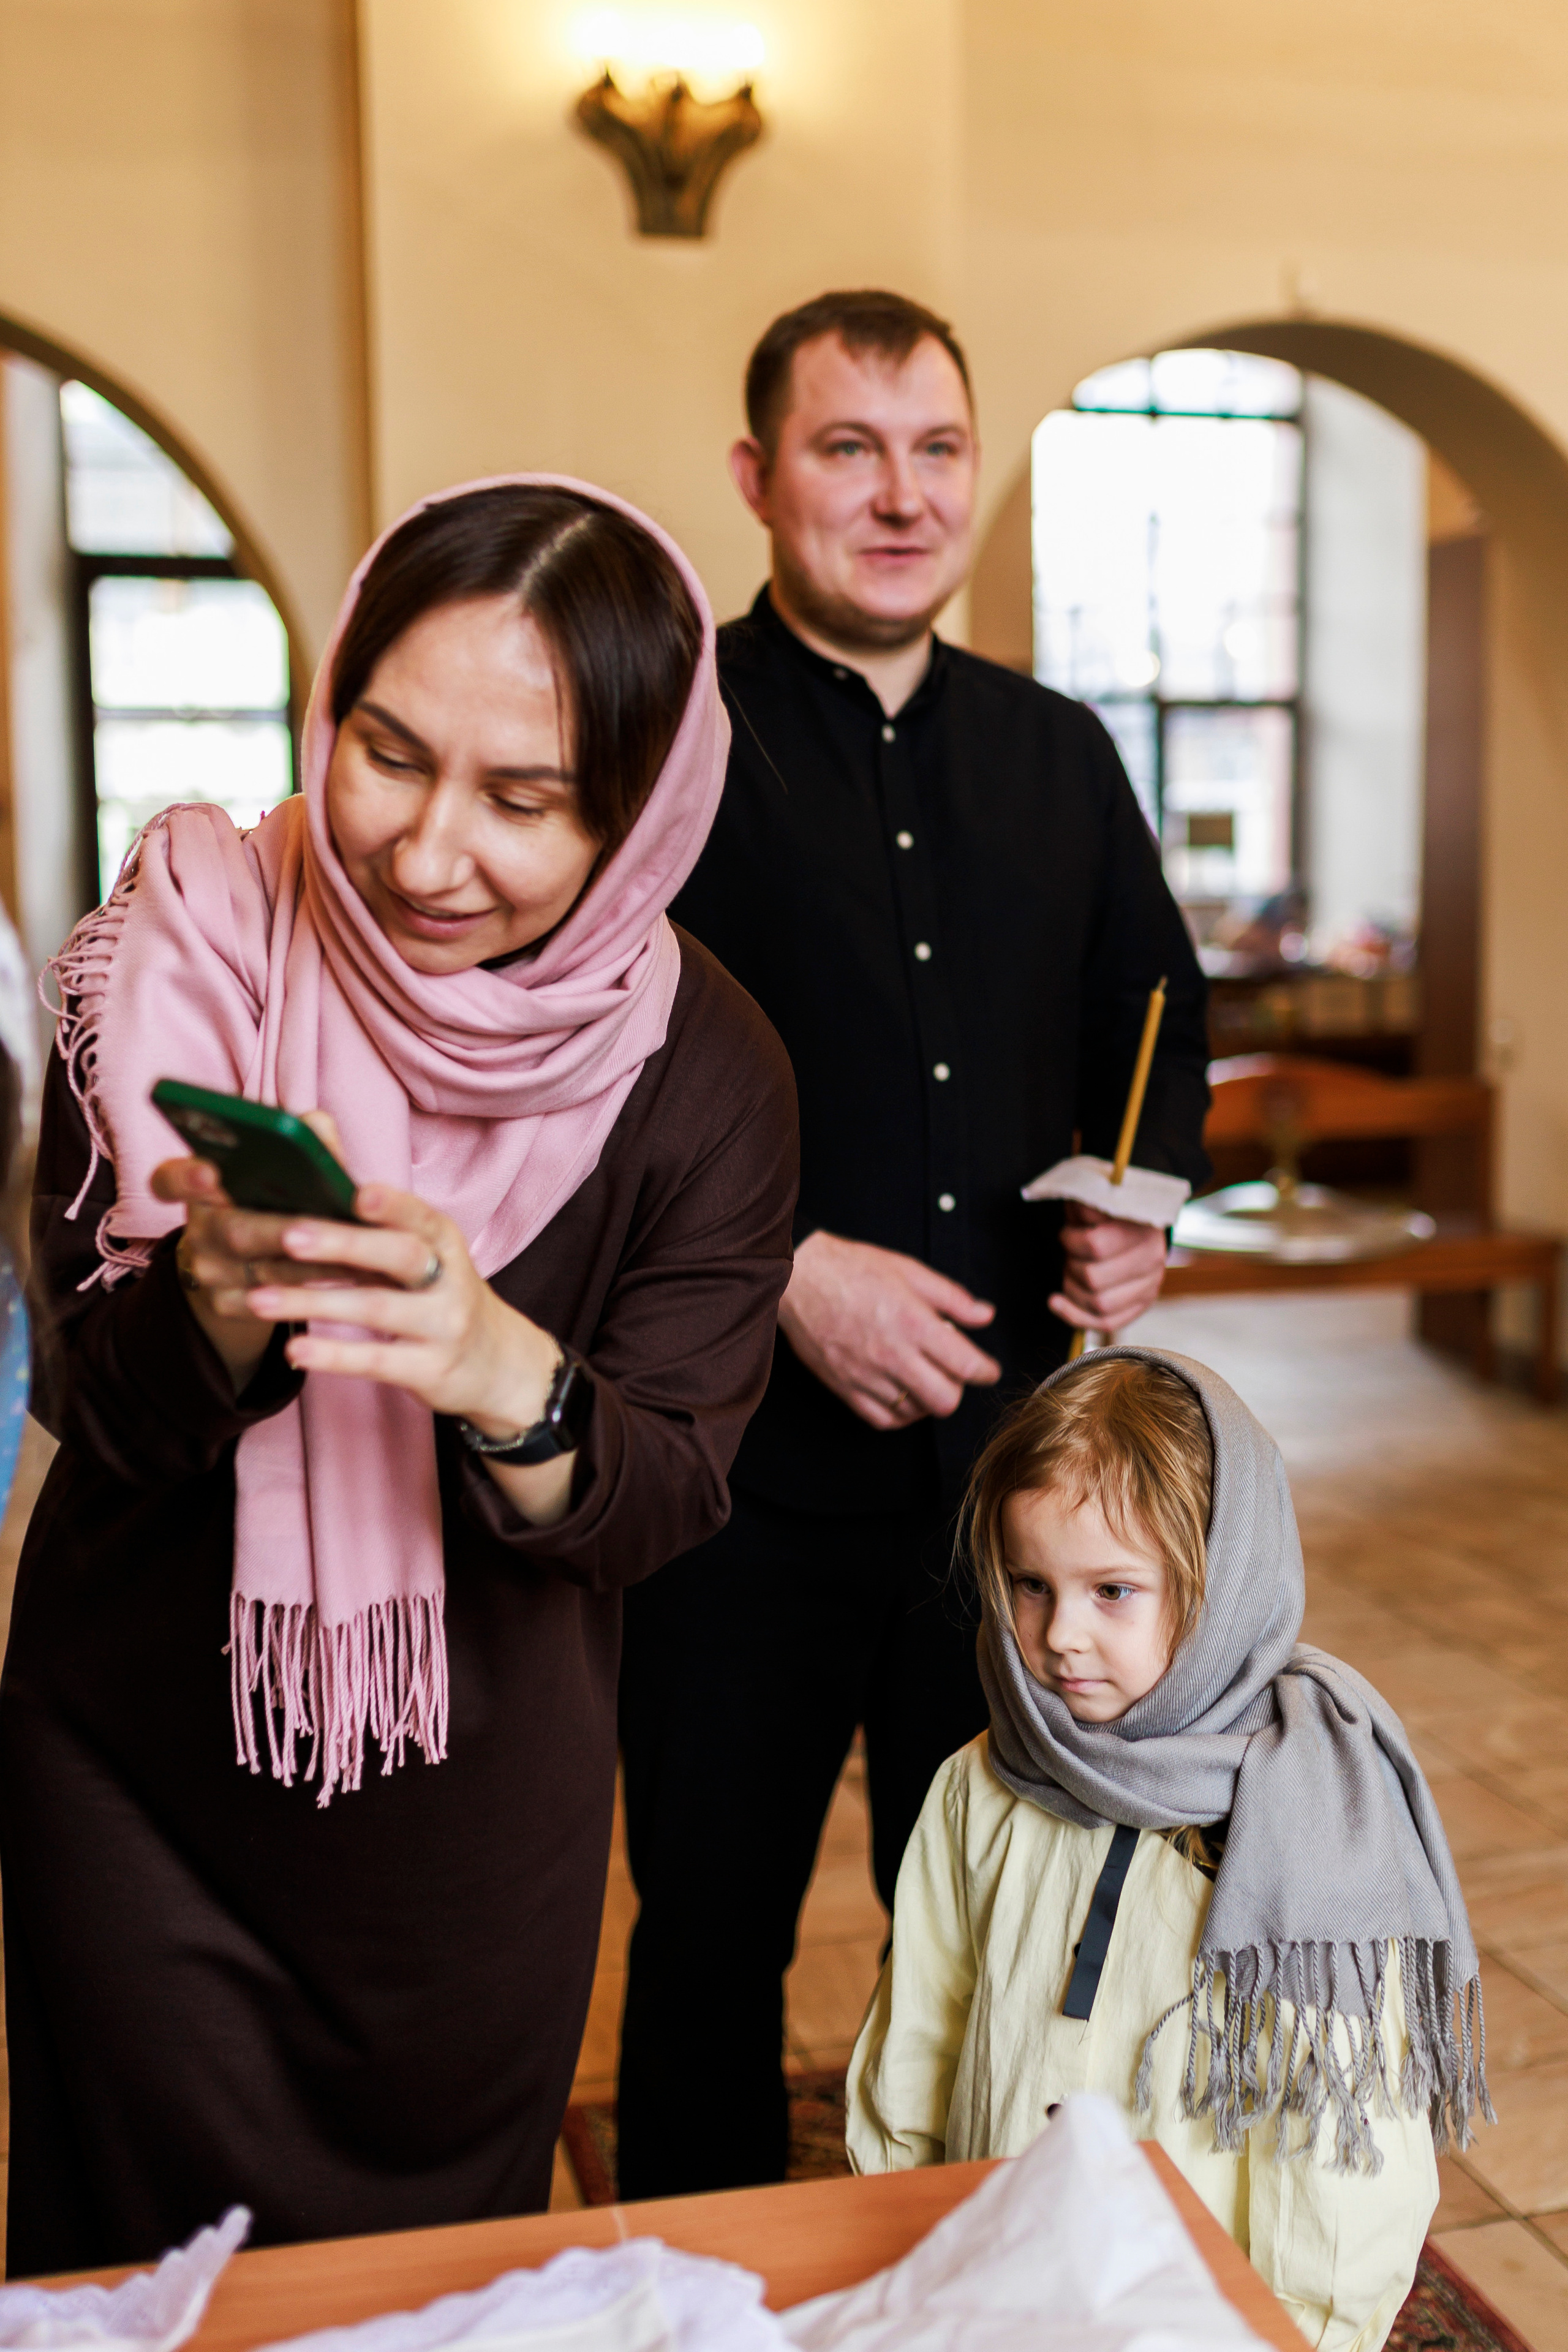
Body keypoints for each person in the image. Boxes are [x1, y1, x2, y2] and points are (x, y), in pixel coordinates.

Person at [1, 478, 798, 2272]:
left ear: (643, 810)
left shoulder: (710, 1072)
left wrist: (498, 1364)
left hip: (463, 1825)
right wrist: (213, 1297)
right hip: (137, 1776)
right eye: (387, 753)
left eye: (525, 802)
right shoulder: (182, 944)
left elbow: (661, 1496)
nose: (430, 857)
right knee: (131, 2283)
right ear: (328, 701)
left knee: (432, 2289)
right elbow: (83, 1396)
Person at [616, 289, 1210, 2196]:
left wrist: (1139, 1216)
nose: (900, 493)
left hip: (1011, 1506)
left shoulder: (1058, 749)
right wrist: (784, 1265)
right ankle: (684, 2305)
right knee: (713, 1936)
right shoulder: (663, 742)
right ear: (758, 479)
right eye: (848, 448)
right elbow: (575, 1069)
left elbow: (1156, 1024)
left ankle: (974, 2285)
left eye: (936, 448)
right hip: (732, 1491)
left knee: (999, 1940)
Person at [848, 1348, 1488, 2352]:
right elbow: (920, 2035)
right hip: (991, 2286)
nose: (1059, 1636)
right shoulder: (978, 1784)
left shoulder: (1308, 1824)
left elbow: (1342, 2152)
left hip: (1196, 2321)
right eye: (1028, 1584)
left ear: (1222, 1584)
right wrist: (902, 2244)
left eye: (1112, 1590)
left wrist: (1304, 2334)